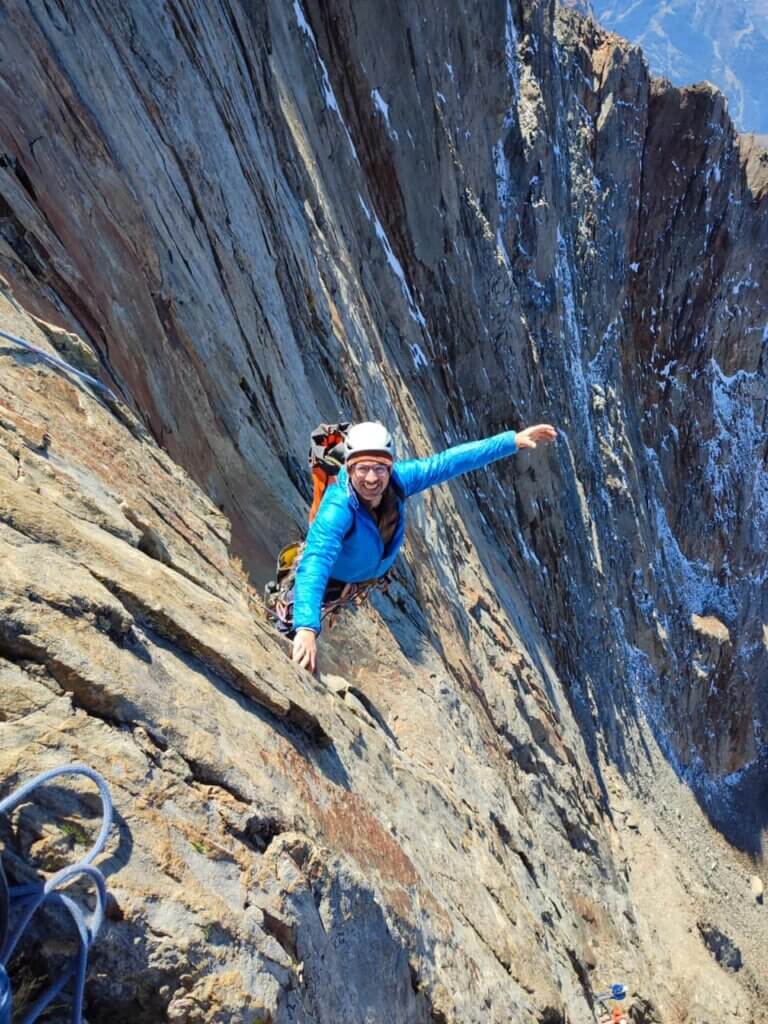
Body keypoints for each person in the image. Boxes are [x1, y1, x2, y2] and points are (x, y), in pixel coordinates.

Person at [291, 420, 557, 671]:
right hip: (334, 580)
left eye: (379, 468)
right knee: (292, 627)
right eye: (362, 468)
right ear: (349, 469)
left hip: (363, 572)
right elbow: (316, 560)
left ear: (391, 467)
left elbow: (448, 463)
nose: (371, 478)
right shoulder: (337, 509)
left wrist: (511, 441)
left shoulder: (399, 481)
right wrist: (305, 628)